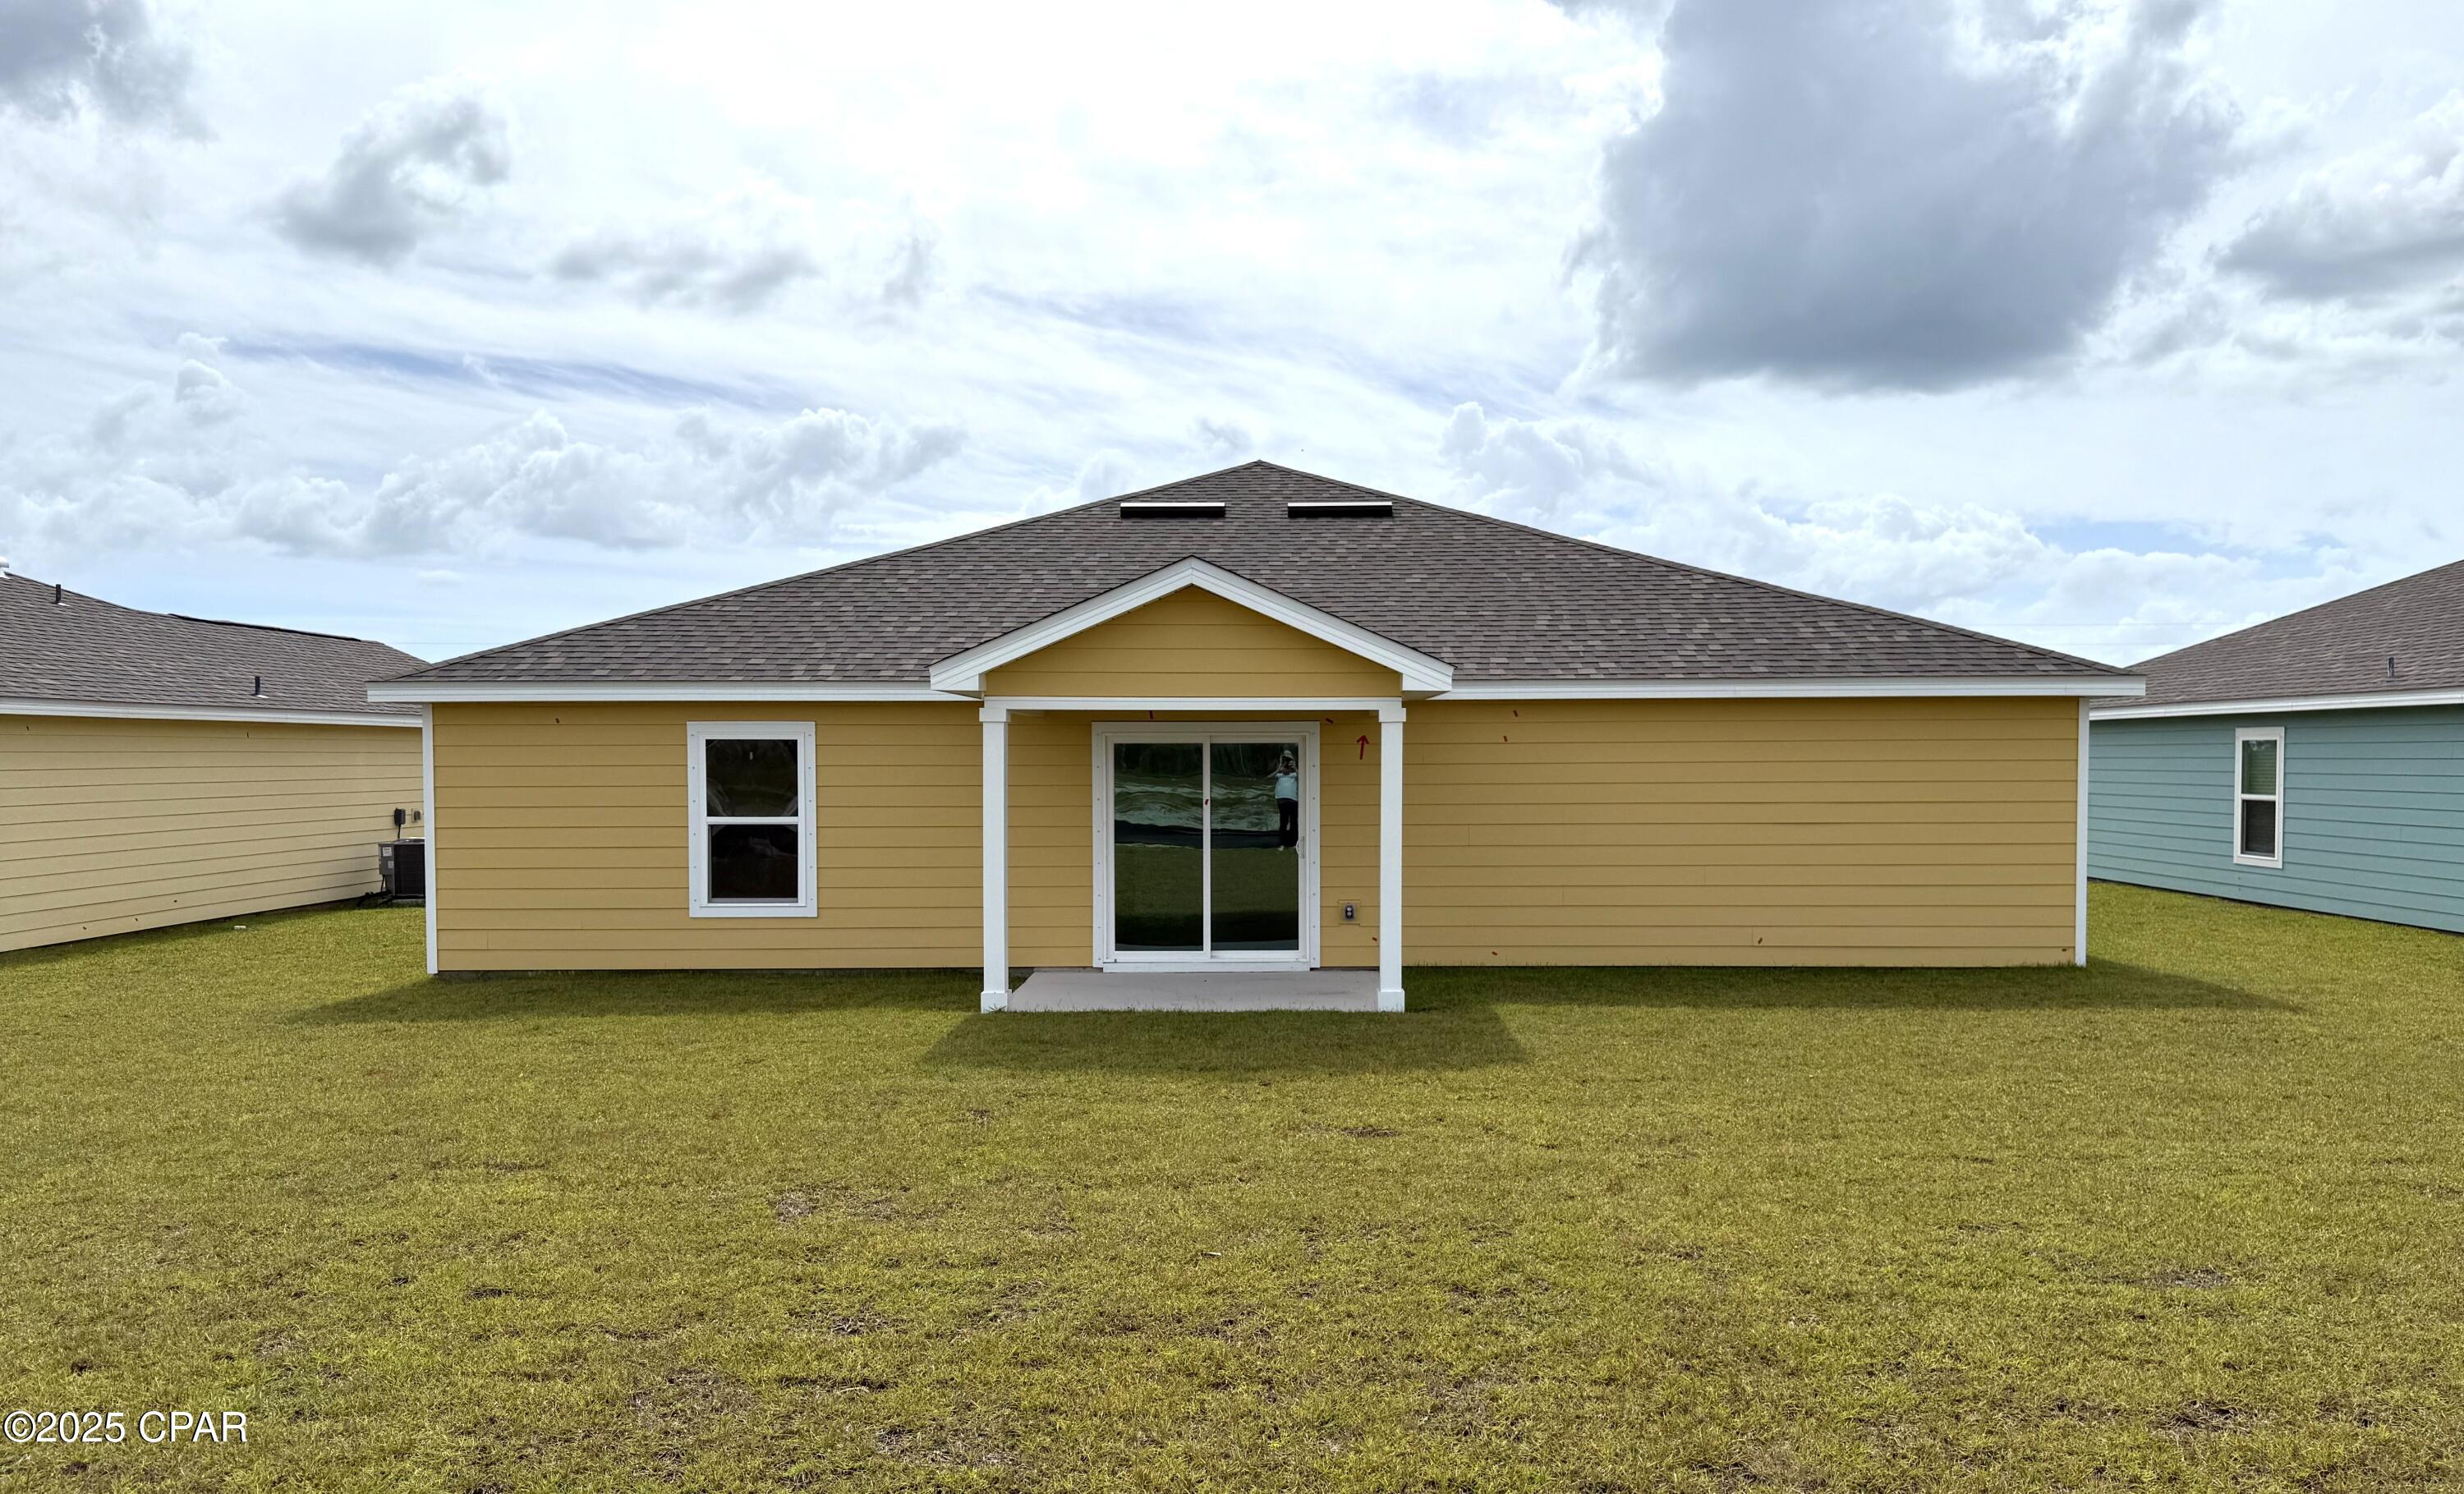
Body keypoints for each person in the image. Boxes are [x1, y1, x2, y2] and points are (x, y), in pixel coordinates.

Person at [1273, 751, 1299, 849]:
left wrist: (1295, 768)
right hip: (1281, 801)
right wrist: (1279, 768)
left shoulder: (1295, 775)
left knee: (1293, 822)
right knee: (1283, 822)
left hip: (1293, 801)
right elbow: (1268, 778)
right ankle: (1282, 844)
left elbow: (1303, 778)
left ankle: (1294, 843)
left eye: (1289, 760)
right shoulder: (1279, 775)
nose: (1287, 763)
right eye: (1285, 760)